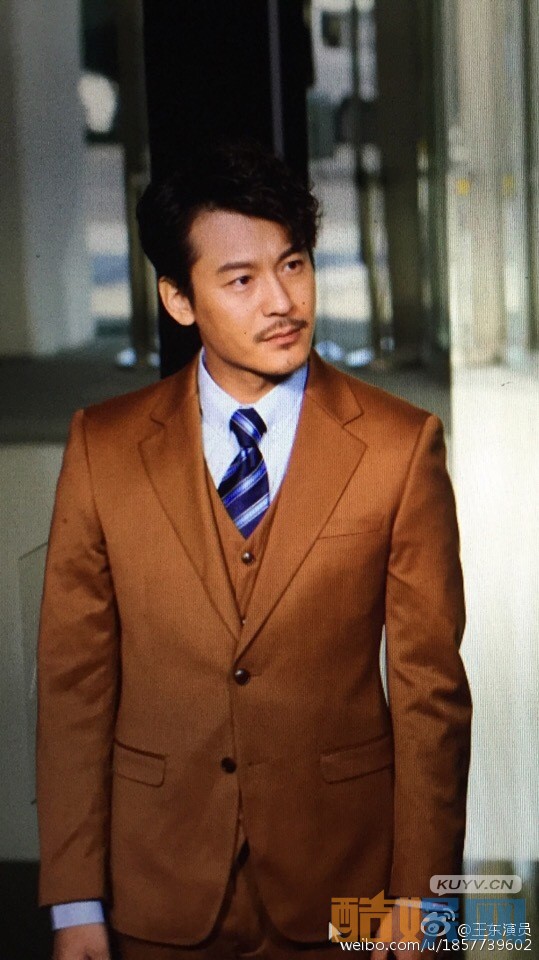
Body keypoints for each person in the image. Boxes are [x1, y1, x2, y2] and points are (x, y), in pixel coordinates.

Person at [37, 142, 472, 960]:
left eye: (293, 265)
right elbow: (73, 687)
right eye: (240, 280)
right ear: (178, 299)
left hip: (342, 883)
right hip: (154, 883)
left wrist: (424, 896)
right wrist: (73, 903)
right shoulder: (103, 446)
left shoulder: (398, 446)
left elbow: (430, 695)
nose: (281, 301)